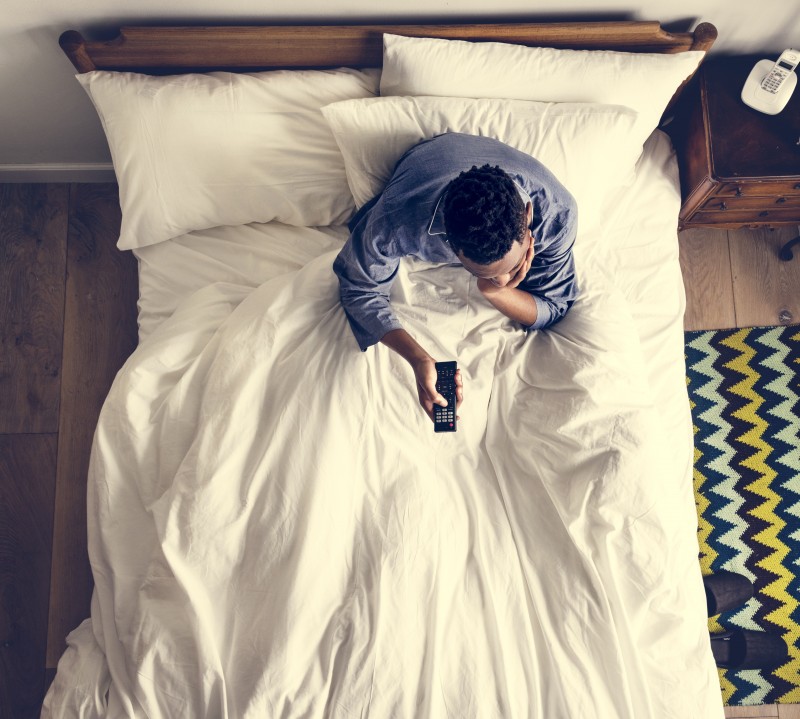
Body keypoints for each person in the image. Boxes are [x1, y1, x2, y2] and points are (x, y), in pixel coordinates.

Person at [333, 132, 579, 423]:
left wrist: (495, 290)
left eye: (512, 265)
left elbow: (555, 306)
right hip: (427, 161)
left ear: (528, 216)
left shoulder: (557, 216)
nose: (505, 276)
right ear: (448, 243)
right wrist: (418, 358)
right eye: (479, 270)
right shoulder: (399, 219)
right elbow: (360, 288)